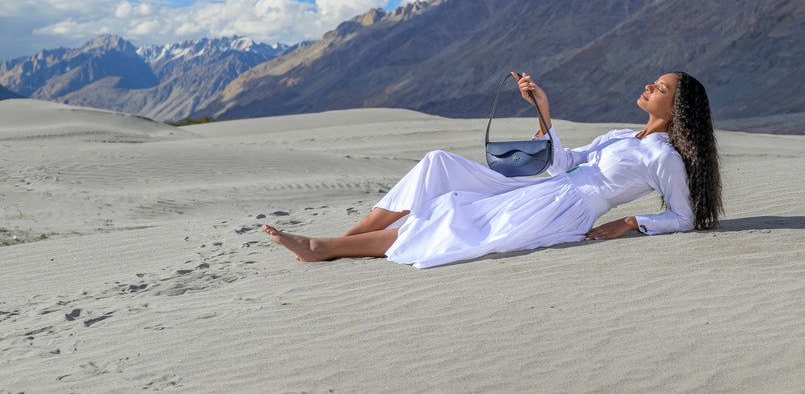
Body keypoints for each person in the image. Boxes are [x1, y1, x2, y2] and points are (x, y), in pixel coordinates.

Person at [263, 71, 722, 268]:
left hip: (564, 208)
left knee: (456, 214)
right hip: (551, 184)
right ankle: (344, 240)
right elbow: (562, 162)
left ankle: (325, 248)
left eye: (659, 87)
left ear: (676, 107)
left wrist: (628, 222)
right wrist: (543, 108)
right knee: (438, 165)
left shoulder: (662, 157)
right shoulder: (625, 136)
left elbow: (684, 218)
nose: (648, 86)